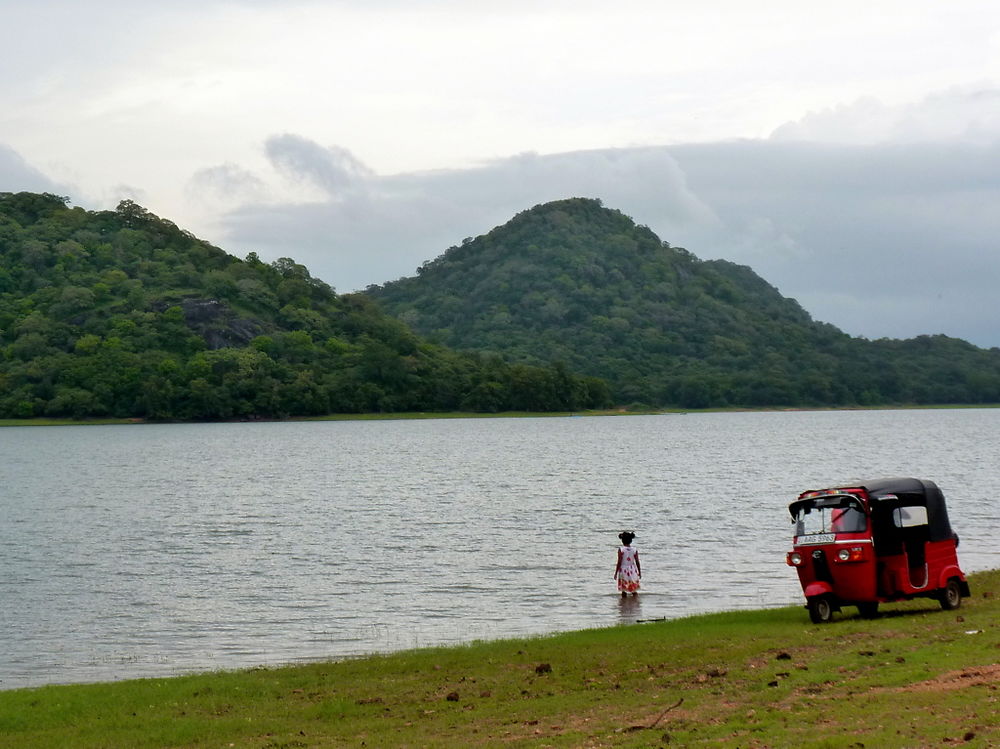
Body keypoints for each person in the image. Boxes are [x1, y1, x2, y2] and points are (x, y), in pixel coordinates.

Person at [614, 531, 641, 597]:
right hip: (632, 570)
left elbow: (619, 562)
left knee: (624, 589)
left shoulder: (621, 549)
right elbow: (637, 561)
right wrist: (639, 572)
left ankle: (624, 604)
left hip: (623, 569)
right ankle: (635, 602)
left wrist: (616, 572)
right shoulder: (634, 549)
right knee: (634, 589)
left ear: (622, 541)